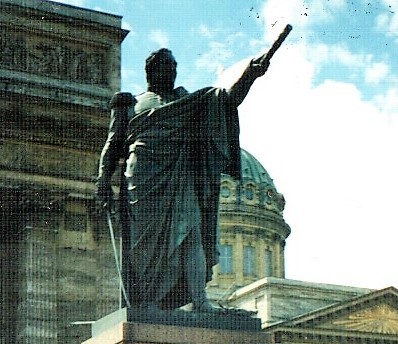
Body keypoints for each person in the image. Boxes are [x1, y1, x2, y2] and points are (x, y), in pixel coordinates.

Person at [95, 41, 278, 313]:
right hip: (143, 177)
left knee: (191, 234)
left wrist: (250, 74)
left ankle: (200, 301)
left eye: (173, 67)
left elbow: (226, 101)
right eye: (165, 67)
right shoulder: (130, 103)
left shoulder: (188, 101)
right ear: (151, 71)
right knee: (143, 244)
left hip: (180, 176)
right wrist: (102, 180)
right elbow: (113, 143)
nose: (171, 72)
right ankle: (149, 302)